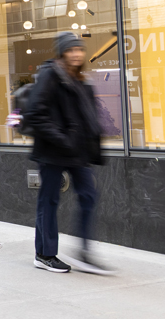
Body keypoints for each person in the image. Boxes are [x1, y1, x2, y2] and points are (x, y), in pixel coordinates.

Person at [26, 32, 112, 275]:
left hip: (77, 152)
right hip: (54, 150)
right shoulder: (51, 74)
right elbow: (35, 113)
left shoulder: (80, 79)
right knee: (49, 201)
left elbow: (85, 117)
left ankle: (84, 253)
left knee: (88, 196)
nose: (76, 53)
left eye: (79, 49)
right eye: (71, 50)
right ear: (62, 52)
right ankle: (44, 254)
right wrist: (62, 138)